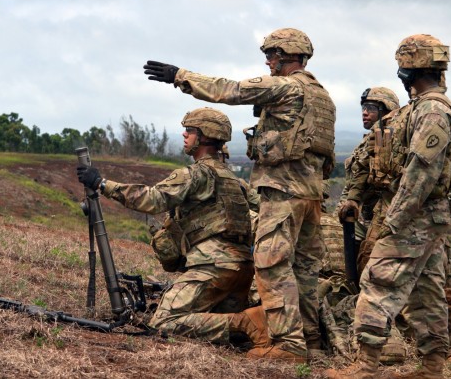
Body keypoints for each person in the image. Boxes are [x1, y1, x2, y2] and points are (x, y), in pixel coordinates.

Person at [144, 28, 336, 362]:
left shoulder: (285, 86)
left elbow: (230, 91)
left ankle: (288, 345)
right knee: (304, 270)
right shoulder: (324, 97)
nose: (268, 62)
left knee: (271, 264)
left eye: (272, 55)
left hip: (282, 191)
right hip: (313, 195)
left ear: (286, 55)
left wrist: (180, 76)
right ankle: (312, 345)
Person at [325, 34, 451, 379]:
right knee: (427, 291)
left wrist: (393, 221)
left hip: (414, 217)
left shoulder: (431, 110)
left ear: (408, 69)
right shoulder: (425, 107)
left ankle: (365, 366)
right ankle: (432, 368)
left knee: (377, 281)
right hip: (428, 218)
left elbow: (421, 172)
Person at [76, 107, 267, 348]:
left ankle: (244, 321)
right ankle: (249, 325)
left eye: (189, 130)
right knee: (219, 332)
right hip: (241, 270)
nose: (184, 135)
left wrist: (101, 184)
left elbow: (152, 199)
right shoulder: (235, 180)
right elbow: (265, 209)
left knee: (165, 322)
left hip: (213, 267)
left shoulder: (196, 174)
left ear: (204, 136)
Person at [337, 87, 400, 275]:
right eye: (364, 107)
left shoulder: (390, 139)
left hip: (378, 218)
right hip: (360, 217)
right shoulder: (370, 140)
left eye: (371, 108)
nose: (365, 112)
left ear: (387, 110)